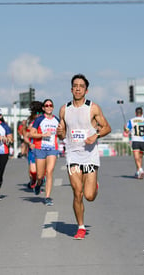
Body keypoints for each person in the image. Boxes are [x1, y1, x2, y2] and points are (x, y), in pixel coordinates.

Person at [57, 74, 111, 240]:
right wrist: (60, 134)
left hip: (89, 156)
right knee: (77, 192)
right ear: (71, 89)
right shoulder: (64, 109)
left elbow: (107, 127)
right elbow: (62, 133)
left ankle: (94, 186)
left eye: (81, 86)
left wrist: (95, 135)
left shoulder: (93, 108)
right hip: (73, 156)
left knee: (89, 196)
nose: (78, 88)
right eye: (75, 85)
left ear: (86, 90)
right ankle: (80, 226)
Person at [30, 99, 60, 206]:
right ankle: (38, 183)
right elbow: (32, 134)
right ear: (43, 108)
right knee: (39, 175)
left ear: (52, 107)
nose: (48, 107)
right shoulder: (39, 120)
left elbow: (61, 134)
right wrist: (43, 135)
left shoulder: (57, 120)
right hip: (40, 149)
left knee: (50, 171)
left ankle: (47, 197)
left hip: (52, 149)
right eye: (46, 105)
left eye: (50, 105)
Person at [124, 107, 144, 179]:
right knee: (140, 157)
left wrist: (124, 127)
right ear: (142, 113)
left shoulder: (131, 121)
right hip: (143, 141)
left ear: (135, 113)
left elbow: (126, 131)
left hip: (135, 140)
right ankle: (138, 172)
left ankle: (140, 170)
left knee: (136, 157)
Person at [23, 101, 44, 190]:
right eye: (37, 113)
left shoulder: (46, 123)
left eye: (41, 113)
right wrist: (29, 143)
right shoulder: (32, 124)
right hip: (33, 149)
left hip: (44, 149)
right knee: (33, 170)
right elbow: (25, 137)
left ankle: (40, 180)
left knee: (42, 170)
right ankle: (33, 179)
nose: (39, 115)